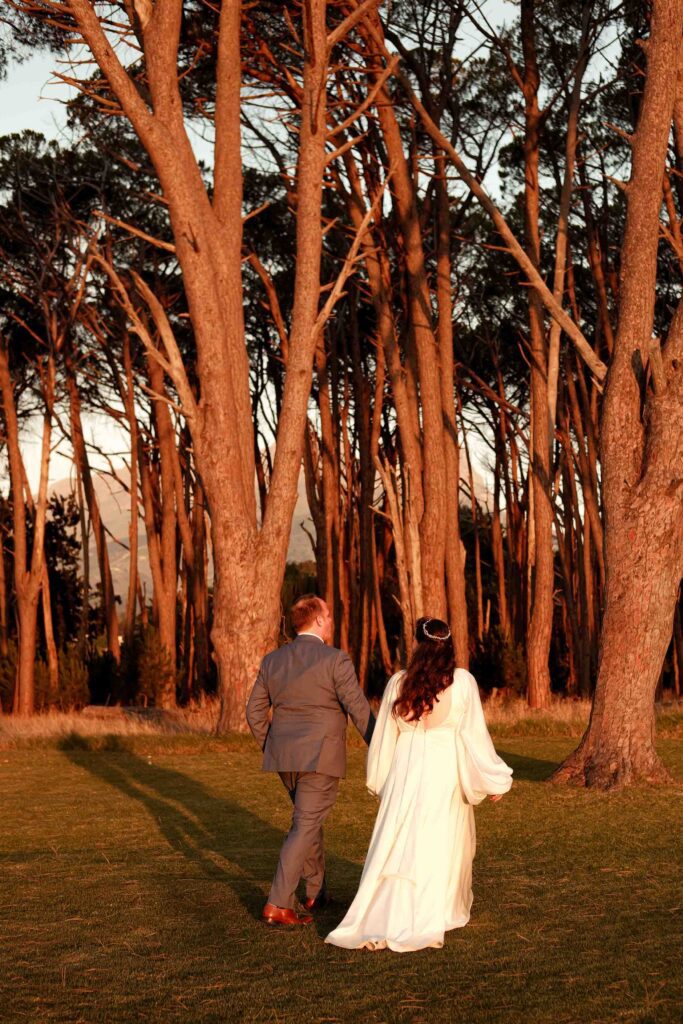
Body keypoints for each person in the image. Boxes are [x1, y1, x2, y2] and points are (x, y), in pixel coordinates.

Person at [325, 616, 512, 953]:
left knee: (400, 839)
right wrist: (496, 778)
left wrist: (380, 779)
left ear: (416, 645)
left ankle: (389, 911)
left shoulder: (399, 683)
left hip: (405, 771)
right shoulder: (462, 682)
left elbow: (384, 737)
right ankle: (429, 909)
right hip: (443, 773)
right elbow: (474, 738)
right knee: (436, 840)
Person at [246, 594, 375, 928]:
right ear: (317, 620)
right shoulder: (336, 660)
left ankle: (316, 891)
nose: (332, 620)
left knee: (308, 821)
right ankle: (278, 903)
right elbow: (359, 711)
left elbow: (254, 712)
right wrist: (382, 747)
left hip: (285, 759)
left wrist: (271, 746)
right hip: (320, 757)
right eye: (329, 614)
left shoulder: (273, 660)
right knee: (304, 825)